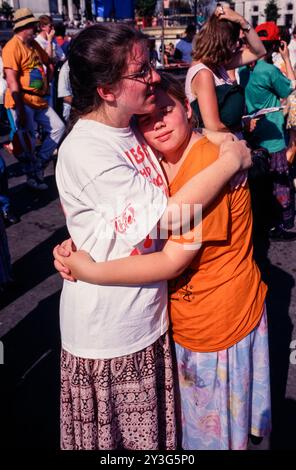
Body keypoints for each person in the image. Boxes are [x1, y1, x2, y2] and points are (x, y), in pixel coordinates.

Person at [53, 23, 251, 450]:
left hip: (149, 318)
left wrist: (217, 138)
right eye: (141, 72)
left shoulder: (130, 129)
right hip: (111, 332)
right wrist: (229, 160)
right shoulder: (87, 148)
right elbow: (172, 217)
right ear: (107, 90)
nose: (155, 77)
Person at [240, 22, 296, 241]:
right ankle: (278, 224)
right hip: (272, 137)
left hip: (253, 135)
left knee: (258, 183)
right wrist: (286, 59)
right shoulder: (269, 70)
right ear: (274, 45)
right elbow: (290, 87)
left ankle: (259, 223)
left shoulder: (244, 71)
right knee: (278, 182)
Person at [2, 8, 65, 191]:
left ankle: (39, 162)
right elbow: (12, 80)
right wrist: (20, 109)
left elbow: (49, 59)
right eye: (32, 26)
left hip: (39, 99)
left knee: (58, 127)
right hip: (23, 100)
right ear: (24, 27)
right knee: (28, 140)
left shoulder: (33, 44)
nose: (36, 29)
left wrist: (50, 41)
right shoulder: (12, 48)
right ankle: (32, 176)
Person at [185, 3, 266, 134]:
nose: (235, 47)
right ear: (224, 41)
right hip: (219, 151)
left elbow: (259, 51)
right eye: (234, 42)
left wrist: (242, 22)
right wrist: (243, 125)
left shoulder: (218, 65)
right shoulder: (204, 74)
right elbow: (213, 127)